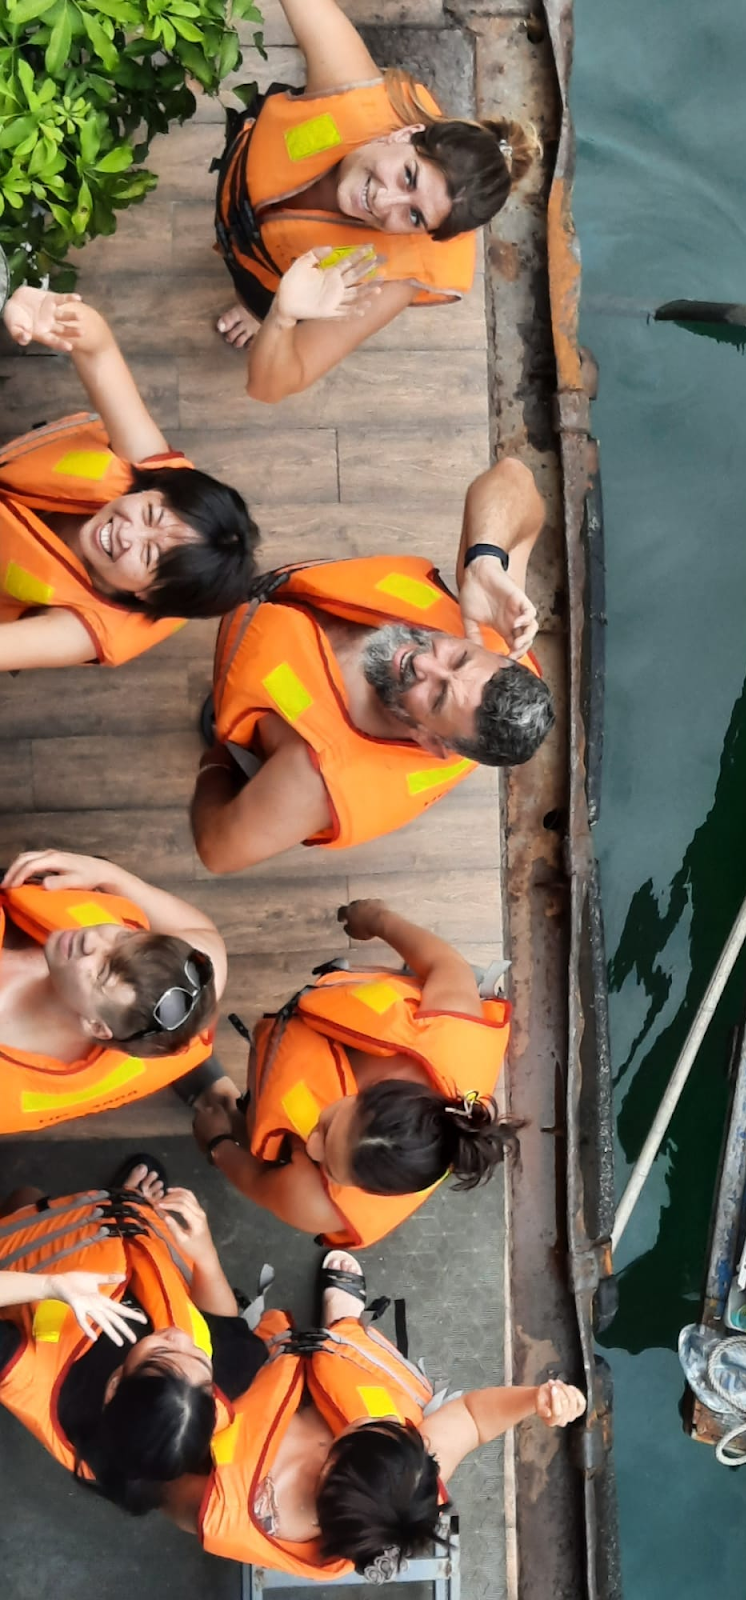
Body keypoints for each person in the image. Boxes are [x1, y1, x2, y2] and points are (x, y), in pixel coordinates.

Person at [190, 456, 554, 873]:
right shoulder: (496, 635)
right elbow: (514, 478)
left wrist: (218, 758)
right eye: (457, 656)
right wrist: (485, 562)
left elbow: (218, 849)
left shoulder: (314, 779)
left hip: (259, 726)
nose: (423, 663)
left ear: (432, 744)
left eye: (437, 696)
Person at [165, 1250, 585, 1579]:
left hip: (236, 1420)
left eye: (367, 1427)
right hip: (319, 1385)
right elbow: (473, 1418)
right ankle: (343, 1324)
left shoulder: (229, 1505)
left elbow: (164, 1493)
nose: (376, 1418)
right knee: (389, 1390)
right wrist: (534, 1399)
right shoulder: (403, 1476)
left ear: (329, 1463)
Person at [211, 0, 538, 401]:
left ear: (425, 234)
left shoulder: (390, 278)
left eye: (414, 216)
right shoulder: (351, 85)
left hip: (275, 277)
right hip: (242, 192)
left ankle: (251, 308)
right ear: (404, 135)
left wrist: (281, 315)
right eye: (408, 176)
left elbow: (269, 387)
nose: (385, 201)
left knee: (255, 295)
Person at [194, 898, 518, 1245]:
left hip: (286, 1070)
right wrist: (376, 919)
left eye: (331, 1169)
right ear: (373, 1089)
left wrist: (219, 1144)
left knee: (259, 1126)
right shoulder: (449, 1021)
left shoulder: (317, 1204)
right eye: (328, 1128)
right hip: (355, 1030)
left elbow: (258, 1181)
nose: (313, 1149)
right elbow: (445, 963)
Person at [0, 288, 259, 669]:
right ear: (154, 490)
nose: (127, 533)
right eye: (151, 516)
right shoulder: (159, 476)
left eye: (150, 555)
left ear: (148, 597)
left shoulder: (87, 630)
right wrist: (56, 316)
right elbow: (97, 348)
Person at [0, 1163, 268, 1513]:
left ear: (113, 1386)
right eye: (202, 1358)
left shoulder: (25, 1373)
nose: (180, 1336)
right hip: (131, 1238)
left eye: (162, 1350)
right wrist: (204, 1253)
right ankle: (126, 1203)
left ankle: (89, 1210)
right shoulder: (227, 1381)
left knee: (26, 1197)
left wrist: (51, 1285)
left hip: (38, 1260)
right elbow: (223, 1322)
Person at [0, 850, 227, 1132]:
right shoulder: (195, 979)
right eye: (124, 937)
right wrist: (107, 875)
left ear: (96, 1026)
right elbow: (201, 934)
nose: (92, 939)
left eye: (102, 973)